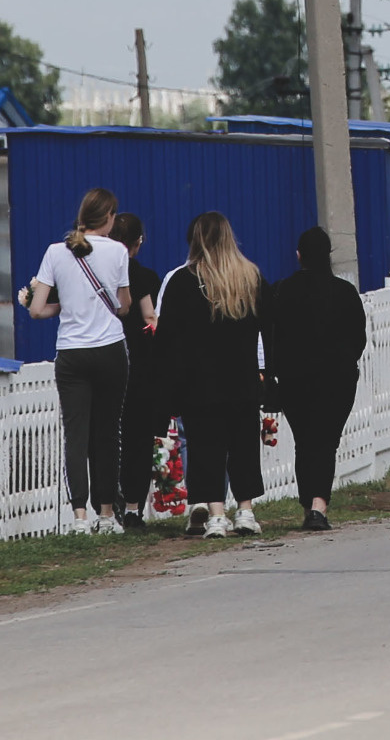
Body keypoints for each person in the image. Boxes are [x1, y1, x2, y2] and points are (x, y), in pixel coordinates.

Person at [23, 187, 132, 533]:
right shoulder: (117, 251)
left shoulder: (56, 252)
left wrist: (61, 305)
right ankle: (107, 514)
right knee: (107, 432)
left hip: (71, 354)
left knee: (76, 435)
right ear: (110, 217)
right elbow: (124, 306)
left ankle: (79, 517)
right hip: (110, 350)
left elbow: (38, 310)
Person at [157, 210, 267, 538]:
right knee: (244, 445)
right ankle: (245, 510)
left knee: (207, 447)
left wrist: (169, 384)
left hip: (199, 381)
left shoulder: (183, 281)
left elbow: (168, 339)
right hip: (243, 377)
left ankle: (216, 514)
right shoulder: (251, 277)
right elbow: (266, 329)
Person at [261, 226, 368, 532]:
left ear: (299, 256)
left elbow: (270, 337)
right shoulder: (345, 293)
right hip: (337, 379)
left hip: (294, 379)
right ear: (328, 255)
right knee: (326, 441)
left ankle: (309, 504)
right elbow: (357, 339)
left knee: (305, 442)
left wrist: (272, 373)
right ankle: (318, 506)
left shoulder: (280, 291)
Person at [111, 212, 168, 526]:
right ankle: (133, 507)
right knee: (138, 438)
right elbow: (151, 321)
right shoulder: (145, 277)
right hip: (141, 367)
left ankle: (106, 504)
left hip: (107, 359)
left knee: (107, 436)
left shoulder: (100, 272)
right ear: (138, 243)